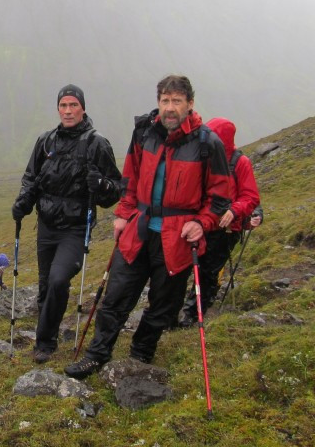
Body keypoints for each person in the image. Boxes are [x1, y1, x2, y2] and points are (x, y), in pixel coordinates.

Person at [65, 75, 232, 379]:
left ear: (190, 104)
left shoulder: (208, 143)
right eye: (165, 101)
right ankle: (96, 355)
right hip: (138, 230)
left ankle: (141, 353)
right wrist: (122, 214)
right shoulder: (144, 132)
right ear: (158, 102)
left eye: (177, 101)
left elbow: (220, 197)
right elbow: (130, 178)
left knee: (163, 306)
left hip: (177, 238)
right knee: (115, 296)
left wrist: (201, 223)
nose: (170, 108)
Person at [12, 84, 122, 363]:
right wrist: (24, 201)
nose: (68, 111)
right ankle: (45, 341)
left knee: (59, 280)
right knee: (46, 286)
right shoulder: (46, 141)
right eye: (64, 105)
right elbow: (31, 177)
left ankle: (44, 342)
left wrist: (101, 185)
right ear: (58, 108)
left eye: (74, 105)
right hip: (47, 225)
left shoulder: (97, 143)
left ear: (83, 108)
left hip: (75, 228)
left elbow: (117, 189)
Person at [178, 117, 262, 326]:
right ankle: (173, 313)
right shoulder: (204, 157)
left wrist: (234, 211)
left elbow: (251, 197)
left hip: (225, 229)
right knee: (181, 267)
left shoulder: (240, 163)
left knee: (208, 272)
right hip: (199, 223)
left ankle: (192, 316)